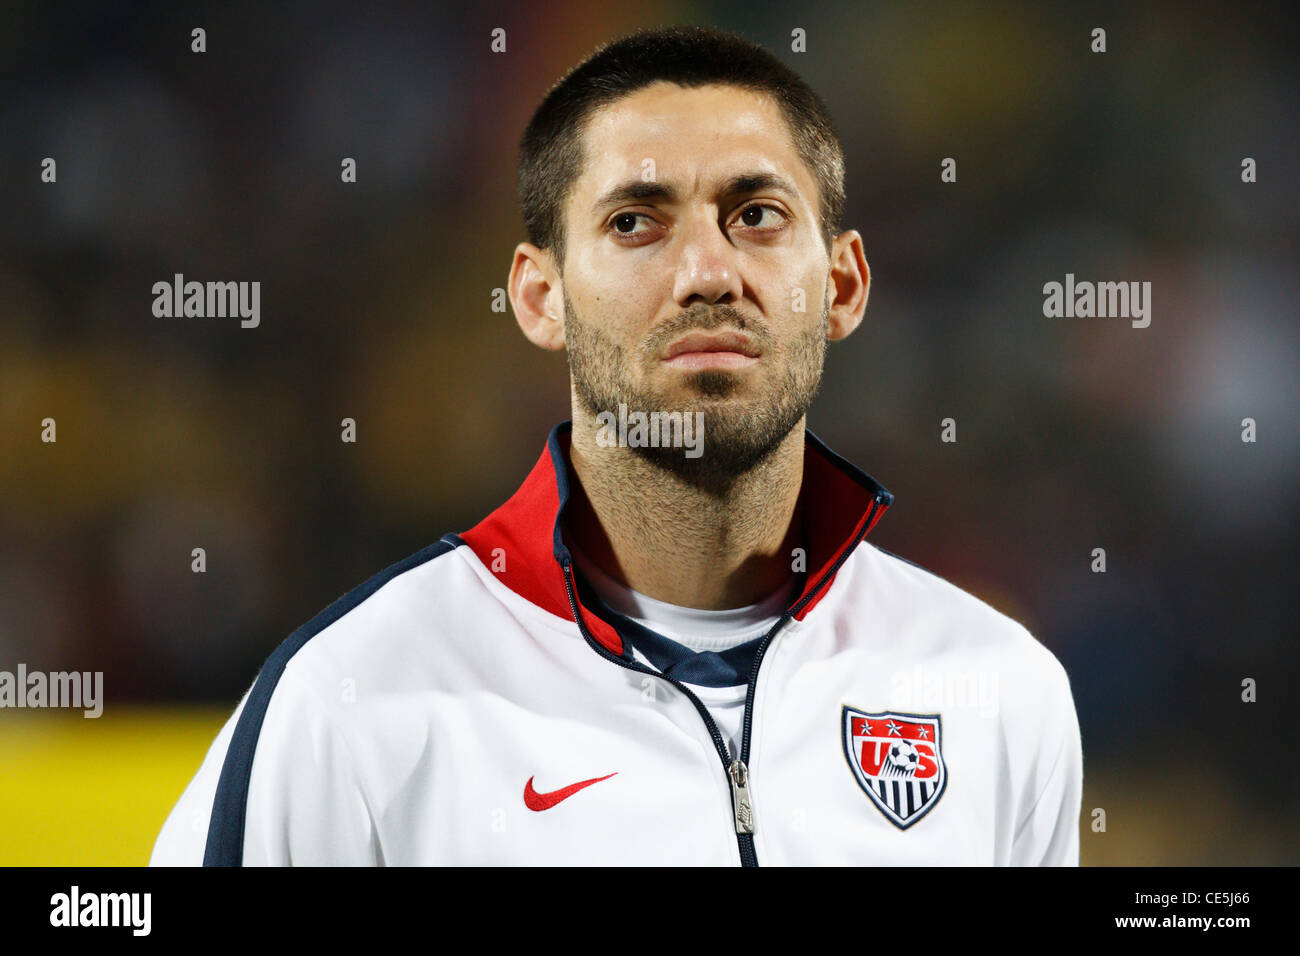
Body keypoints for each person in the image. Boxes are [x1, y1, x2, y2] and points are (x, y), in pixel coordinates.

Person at [152, 24, 1081, 866]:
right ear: (539, 296)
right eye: (635, 221)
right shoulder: (352, 704)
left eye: (756, 214)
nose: (708, 271)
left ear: (841, 285)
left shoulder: (998, 691)